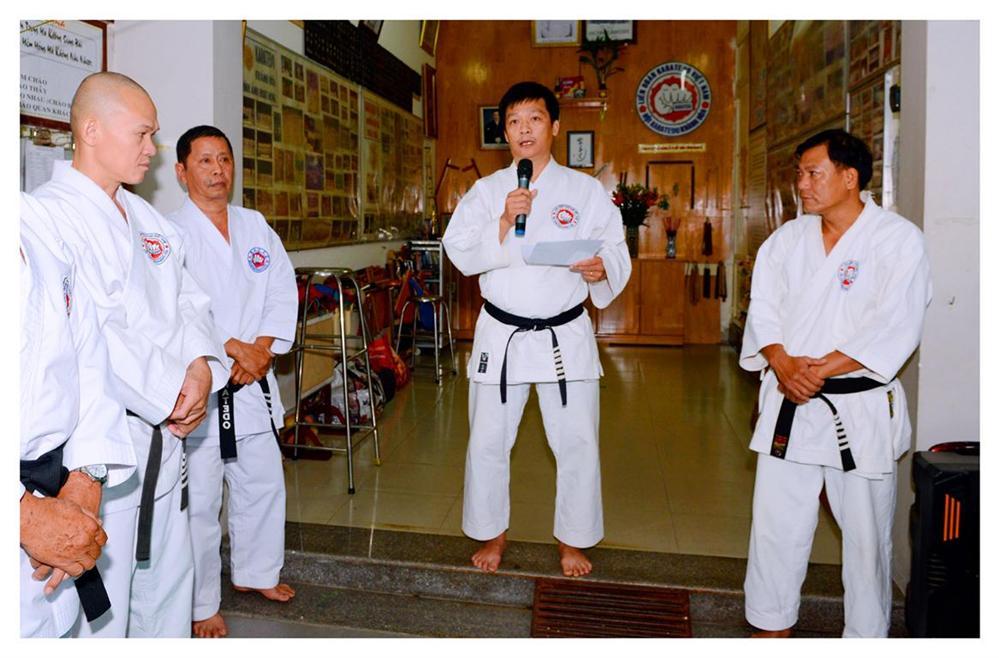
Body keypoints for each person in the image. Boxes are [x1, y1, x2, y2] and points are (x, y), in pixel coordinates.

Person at [33, 71, 229, 637]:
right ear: (91, 130)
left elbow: (189, 300)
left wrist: (199, 367)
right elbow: (90, 332)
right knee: (103, 609)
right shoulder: (49, 218)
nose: (152, 149)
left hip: (166, 440)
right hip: (101, 451)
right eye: (142, 134)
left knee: (168, 585)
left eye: (153, 136)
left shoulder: (147, 219)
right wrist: (172, 392)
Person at [740, 129, 932, 637]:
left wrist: (817, 370)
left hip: (858, 407)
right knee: (776, 523)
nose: (802, 184)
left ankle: (865, 635)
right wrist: (781, 362)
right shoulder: (787, 240)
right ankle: (770, 624)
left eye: (813, 173)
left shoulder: (897, 240)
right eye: (799, 174)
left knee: (866, 535)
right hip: (791, 401)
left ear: (850, 178)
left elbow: (896, 324)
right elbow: (764, 309)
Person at [442, 81, 631, 577]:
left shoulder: (585, 191)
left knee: (576, 441)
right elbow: (458, 249)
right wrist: (504, 221)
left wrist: (601, 269)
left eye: (535, 119)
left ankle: (573, 540)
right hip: (502, 334)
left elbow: (615, 248)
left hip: (563, 333)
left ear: (555, 126)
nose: (524, 130)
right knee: (488, 439)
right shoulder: (487, 191)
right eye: (513, 121)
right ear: (504, 132)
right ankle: (492, 533)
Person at [167, 125, 298, 638]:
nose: (218, 170)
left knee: (262, 483)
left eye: (224, 159)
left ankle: (256, 572)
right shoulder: (169, 233)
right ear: (182, 172)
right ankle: (202, 603)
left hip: (252, 380)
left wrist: (261, 349)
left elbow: (281, 290)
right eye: (205, 161)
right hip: (205, 386)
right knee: (201, 501)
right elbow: (174, 306)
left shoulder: (255, 225)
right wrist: (230, 347)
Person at [19, 193, 136, 637]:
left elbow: (88, 357)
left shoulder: (38, 221)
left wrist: (87, 476)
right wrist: (22, 513)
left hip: (57, 492)